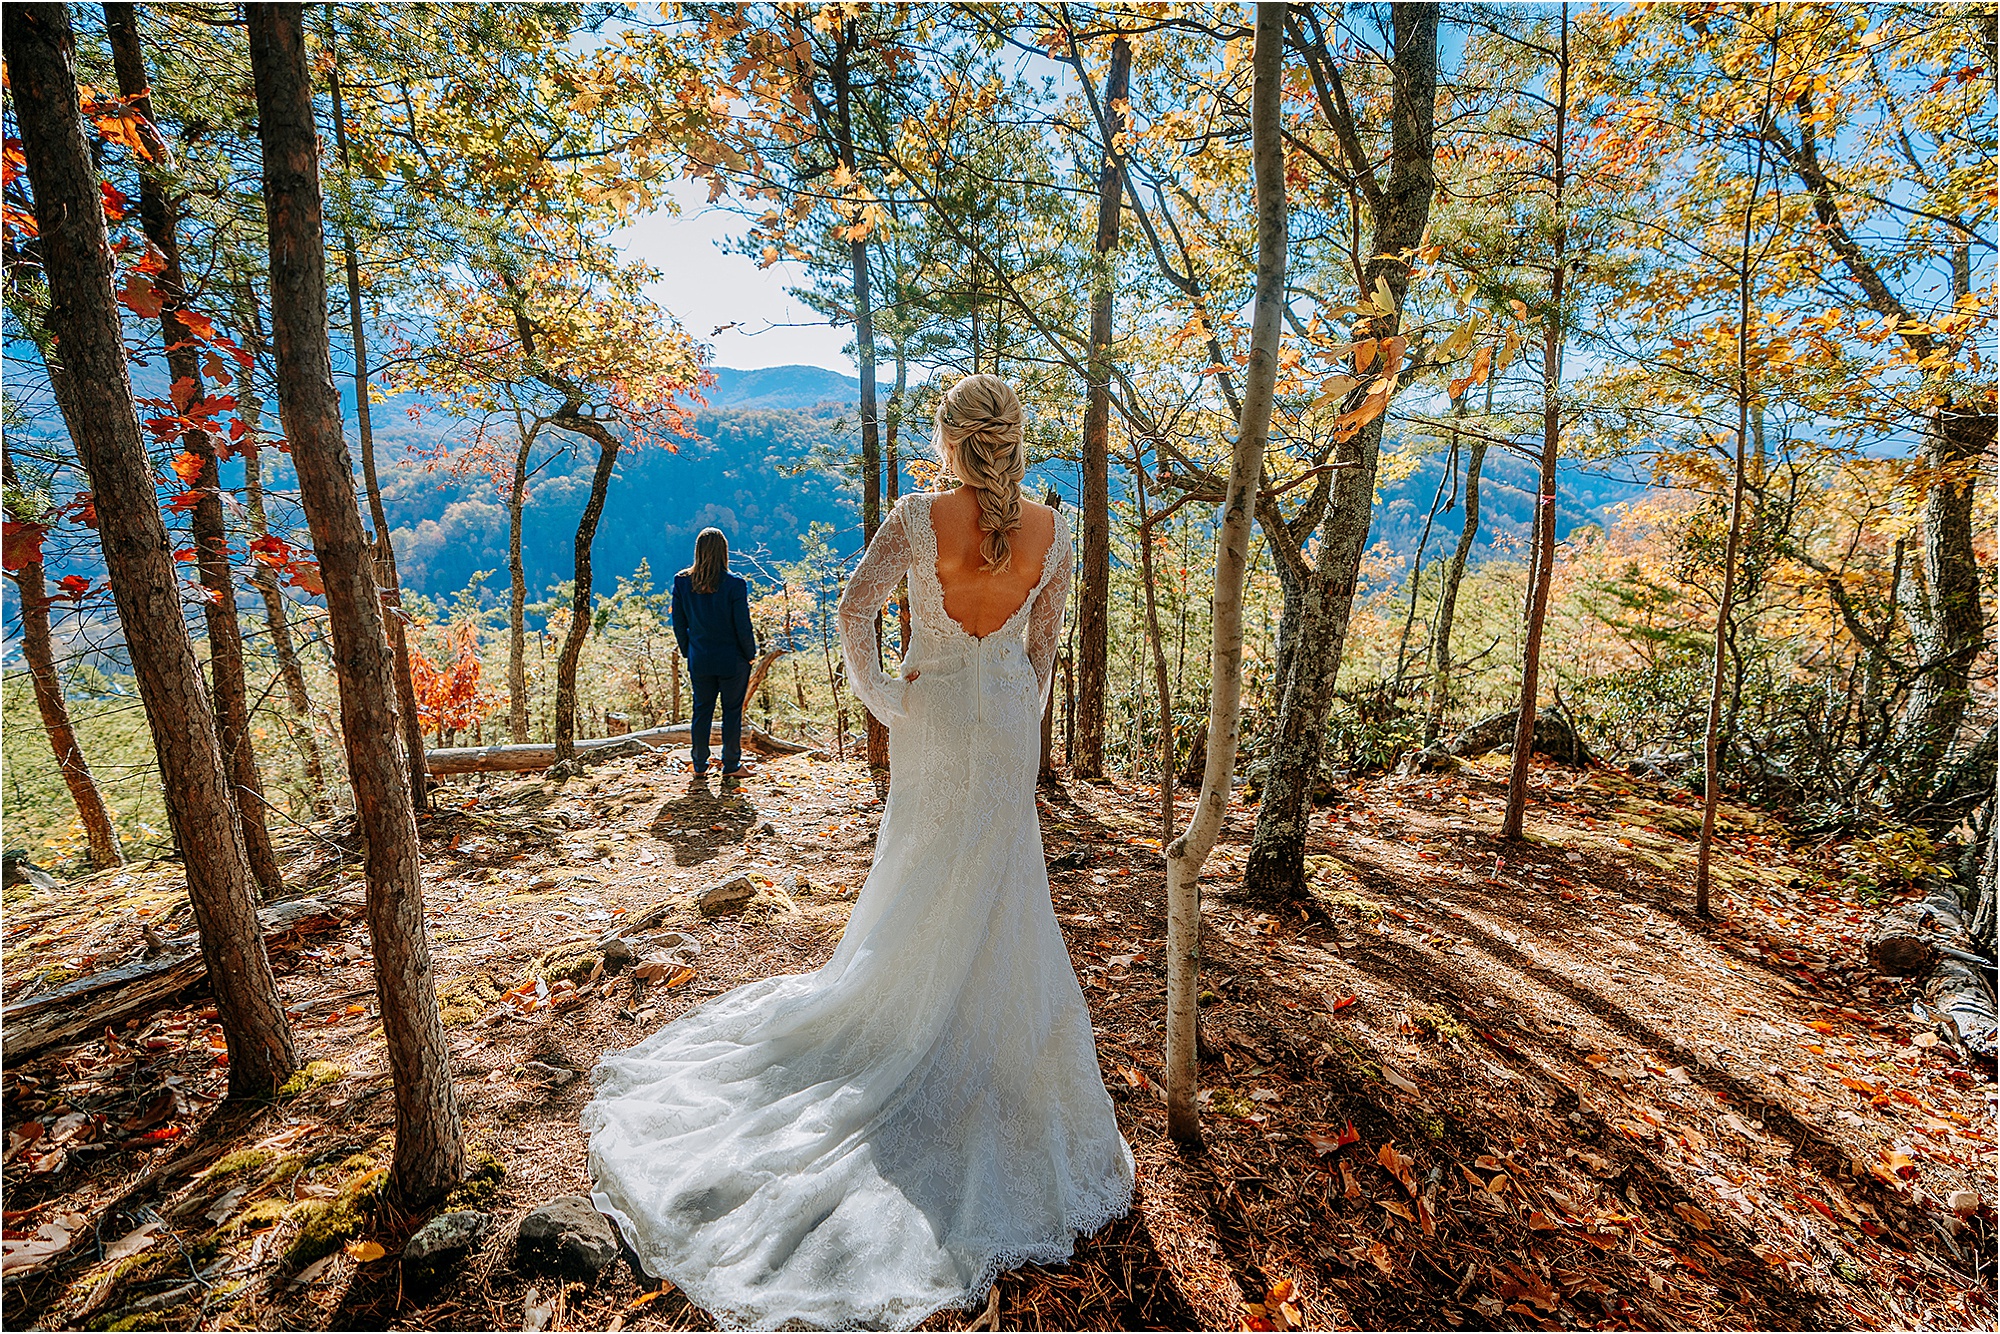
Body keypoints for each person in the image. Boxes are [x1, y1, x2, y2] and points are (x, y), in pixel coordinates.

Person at [585, 375, 1132, 1330]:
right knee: (1004, 884)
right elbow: (1044, 647)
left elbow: (850, 613)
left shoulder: (919, 517)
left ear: (953, 442)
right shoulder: (1055, 526)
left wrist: (892, 701)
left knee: (922, 876)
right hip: (1005, 729)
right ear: (1014, 438)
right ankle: (987, 1052)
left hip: (934, 724)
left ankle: (915, 1026)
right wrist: (1016, 709)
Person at [670, 527, 759, 779]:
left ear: (698, 551)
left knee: (702, 710)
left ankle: (699, 765)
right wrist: (750, 653)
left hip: (700, 658)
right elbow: (742, 624)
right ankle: (731, 765)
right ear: (724, 551)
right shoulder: (734, 584)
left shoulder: (682, 582)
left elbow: (678, 623)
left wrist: (688, 651)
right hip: (732, 660)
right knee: (731, 712)